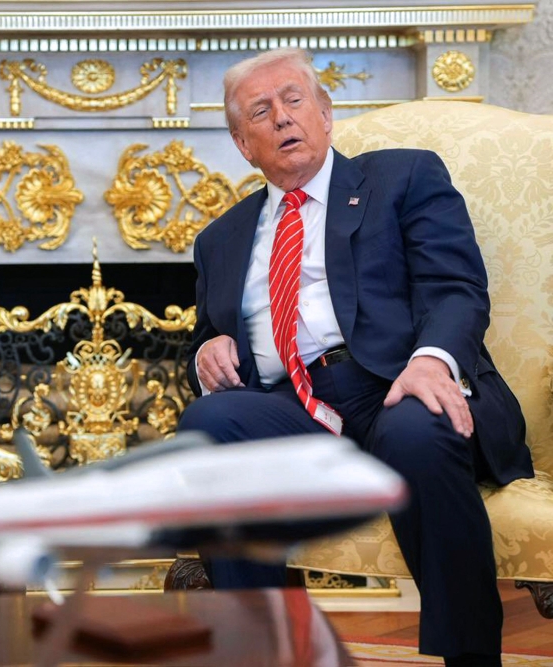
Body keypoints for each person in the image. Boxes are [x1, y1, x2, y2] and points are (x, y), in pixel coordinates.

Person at [179, 48, 533, 667]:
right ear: (243, 143)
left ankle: (470, 656)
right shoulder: (220, 239)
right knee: (207, 426)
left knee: (418, 430)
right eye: (261, 111)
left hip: (397, 383)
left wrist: (431, 360)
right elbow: (206, 340)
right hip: (296, 409)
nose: (283, 118)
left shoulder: (403, 178)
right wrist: (207, 350)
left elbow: (454, 287)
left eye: (294, 100)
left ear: (325, 113)